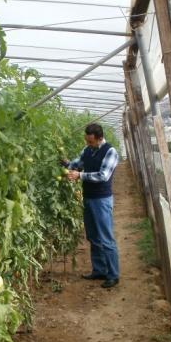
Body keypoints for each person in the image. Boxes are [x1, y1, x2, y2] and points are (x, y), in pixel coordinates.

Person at [65, 123, 120, 288]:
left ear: (99, 138)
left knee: (106, 238)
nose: (88, 144)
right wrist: (66, 165)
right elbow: (79, 162)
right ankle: (99, 270)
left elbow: (103, 175)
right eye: (87, 141)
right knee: (93, 237)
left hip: (102, 200)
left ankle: (113, 274)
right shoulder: (88, 149)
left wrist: (79, 175)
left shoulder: (110, 152)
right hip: (89, 198)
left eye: (91, 142)